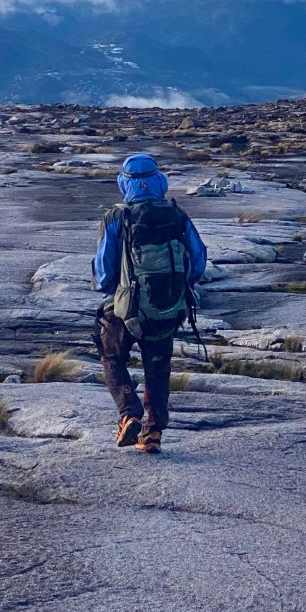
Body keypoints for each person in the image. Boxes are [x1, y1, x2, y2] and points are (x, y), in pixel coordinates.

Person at [93, 152, 207, 454]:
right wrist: (182, 286)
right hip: (167, 306)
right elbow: (198, 258)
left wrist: (108, 290)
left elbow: (104, 268)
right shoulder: (175, 213)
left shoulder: (118, 216)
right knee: (158, 368)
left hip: (125, 307)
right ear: (159, 180)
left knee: (111, 355)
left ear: (124, 182)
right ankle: (153, 433)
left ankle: (129, 412)